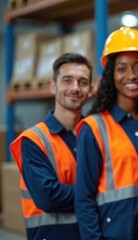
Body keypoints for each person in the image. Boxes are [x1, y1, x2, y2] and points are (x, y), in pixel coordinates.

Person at [74, 27, 138, 240]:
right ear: (111, 75)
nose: (131, 75)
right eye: (122, 69)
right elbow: (83, 199)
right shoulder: (94, 127)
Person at [9, 52, 93, 240]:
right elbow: (48, 197)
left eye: (83, 82)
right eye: (67, 81)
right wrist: (97, 191)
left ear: (91, 89)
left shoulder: (97, 134)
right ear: (53, 86)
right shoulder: (33, 140)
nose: (75, 87)